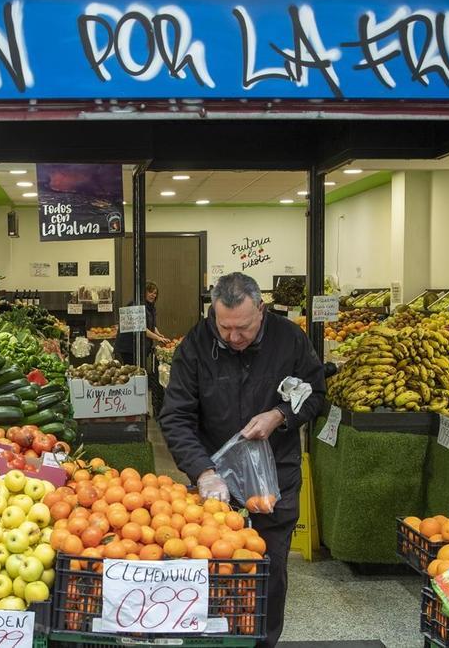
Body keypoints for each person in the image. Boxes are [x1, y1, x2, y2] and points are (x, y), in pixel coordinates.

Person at [158, 272, 326, 647]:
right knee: (212, 569)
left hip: (273, 481)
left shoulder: (290, 340)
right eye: (225, 327)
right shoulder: (196, 345)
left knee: (267, 571)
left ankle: (264, 642)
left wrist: (280, 415)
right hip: (214, 484)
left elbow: (315, 393)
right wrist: (203, 471)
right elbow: (176, 415)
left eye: (243, 329)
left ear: (261, 311)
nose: (233, 338)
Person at [115, 281, 170, 365]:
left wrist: (159, 335)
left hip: (140, 346)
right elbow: (141, 328)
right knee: (132, 371)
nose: (153, 295)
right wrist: (158, 338)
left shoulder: (151, 307)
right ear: (143, 292)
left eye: (155, 293)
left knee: (140, 370)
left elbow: (152, 326)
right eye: (150, 292)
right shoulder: (135, 305)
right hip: (129, 347)